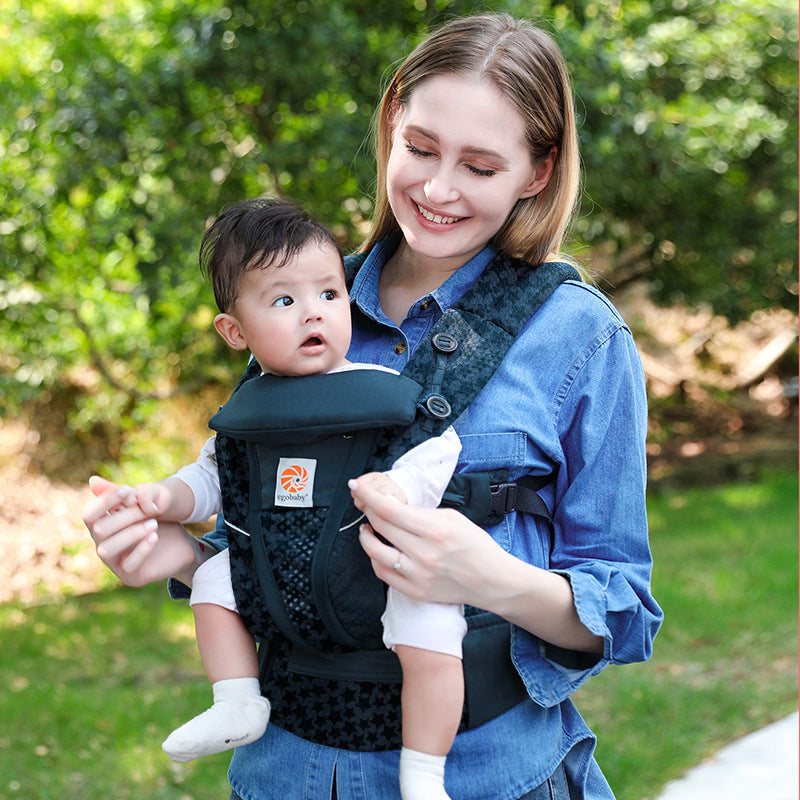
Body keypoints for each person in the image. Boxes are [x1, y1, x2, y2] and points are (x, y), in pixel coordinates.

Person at [83, 13, 663, 800]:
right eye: (420, 148)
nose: (437, 188)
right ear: (392, 121)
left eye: (481, 166)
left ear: (537, 172)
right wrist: (178, 557)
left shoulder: (580, 337)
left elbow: (623, 609)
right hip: (287, 774)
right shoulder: (294, 309)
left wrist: (493, 580)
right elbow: (263, 542)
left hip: (490, 776)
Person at [109, 196, 466, 800]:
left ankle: (424, 771)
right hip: (282, 582)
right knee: (217, 574)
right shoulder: (250, 415)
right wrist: (157, 499)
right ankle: (238, 700)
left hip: (378, 566)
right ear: (234, 330)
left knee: (432, 622)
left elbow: (440, 446)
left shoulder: (380, 389)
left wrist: (398, 487)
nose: (313, 315)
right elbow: (207, 482)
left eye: (329, 295)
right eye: (283, 300)